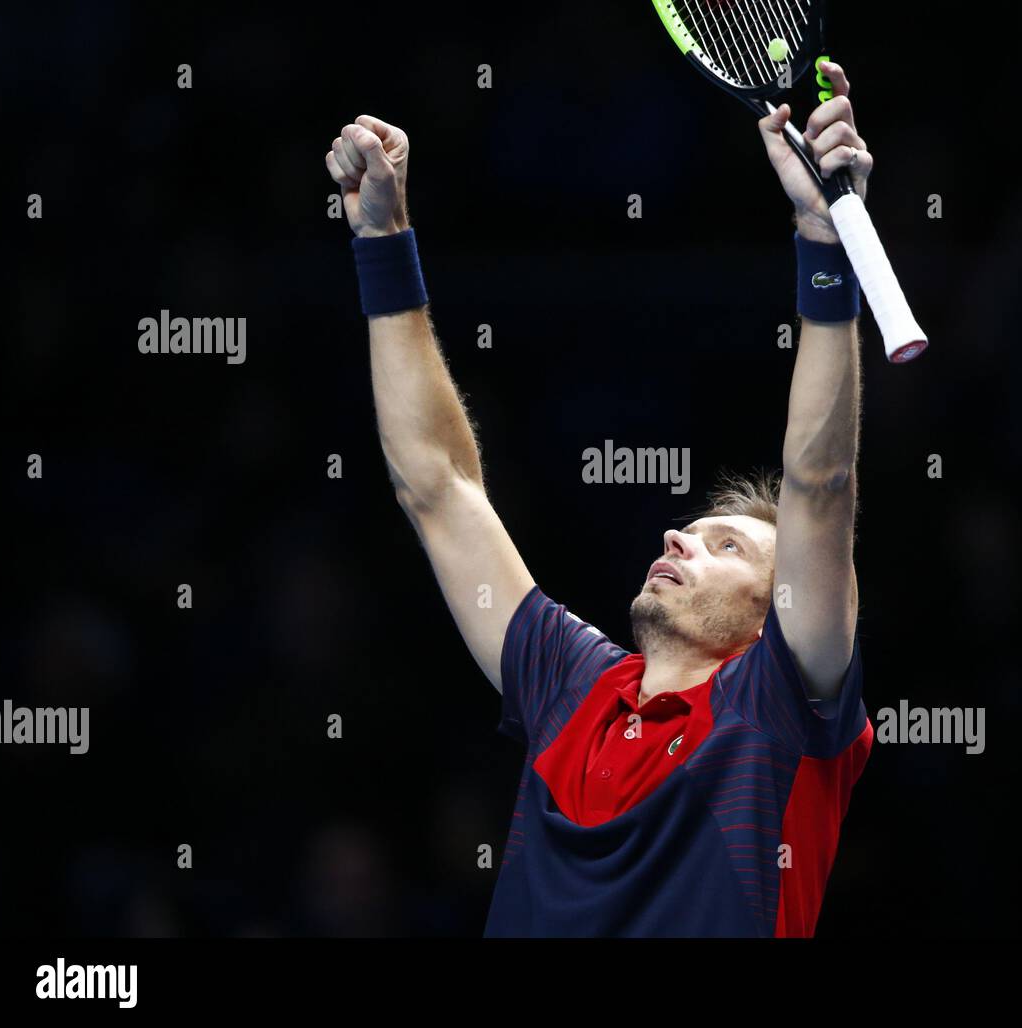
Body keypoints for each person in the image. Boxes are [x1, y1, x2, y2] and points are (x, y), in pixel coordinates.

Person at [325, 61, 873, 937]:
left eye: (728, 547)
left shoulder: (779, 710)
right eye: (694, 530)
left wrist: (820, 243)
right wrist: (384, 242)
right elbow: (438, 485)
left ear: (781, 616)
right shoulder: (571, 684)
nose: (682, 538)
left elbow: (821, 483)